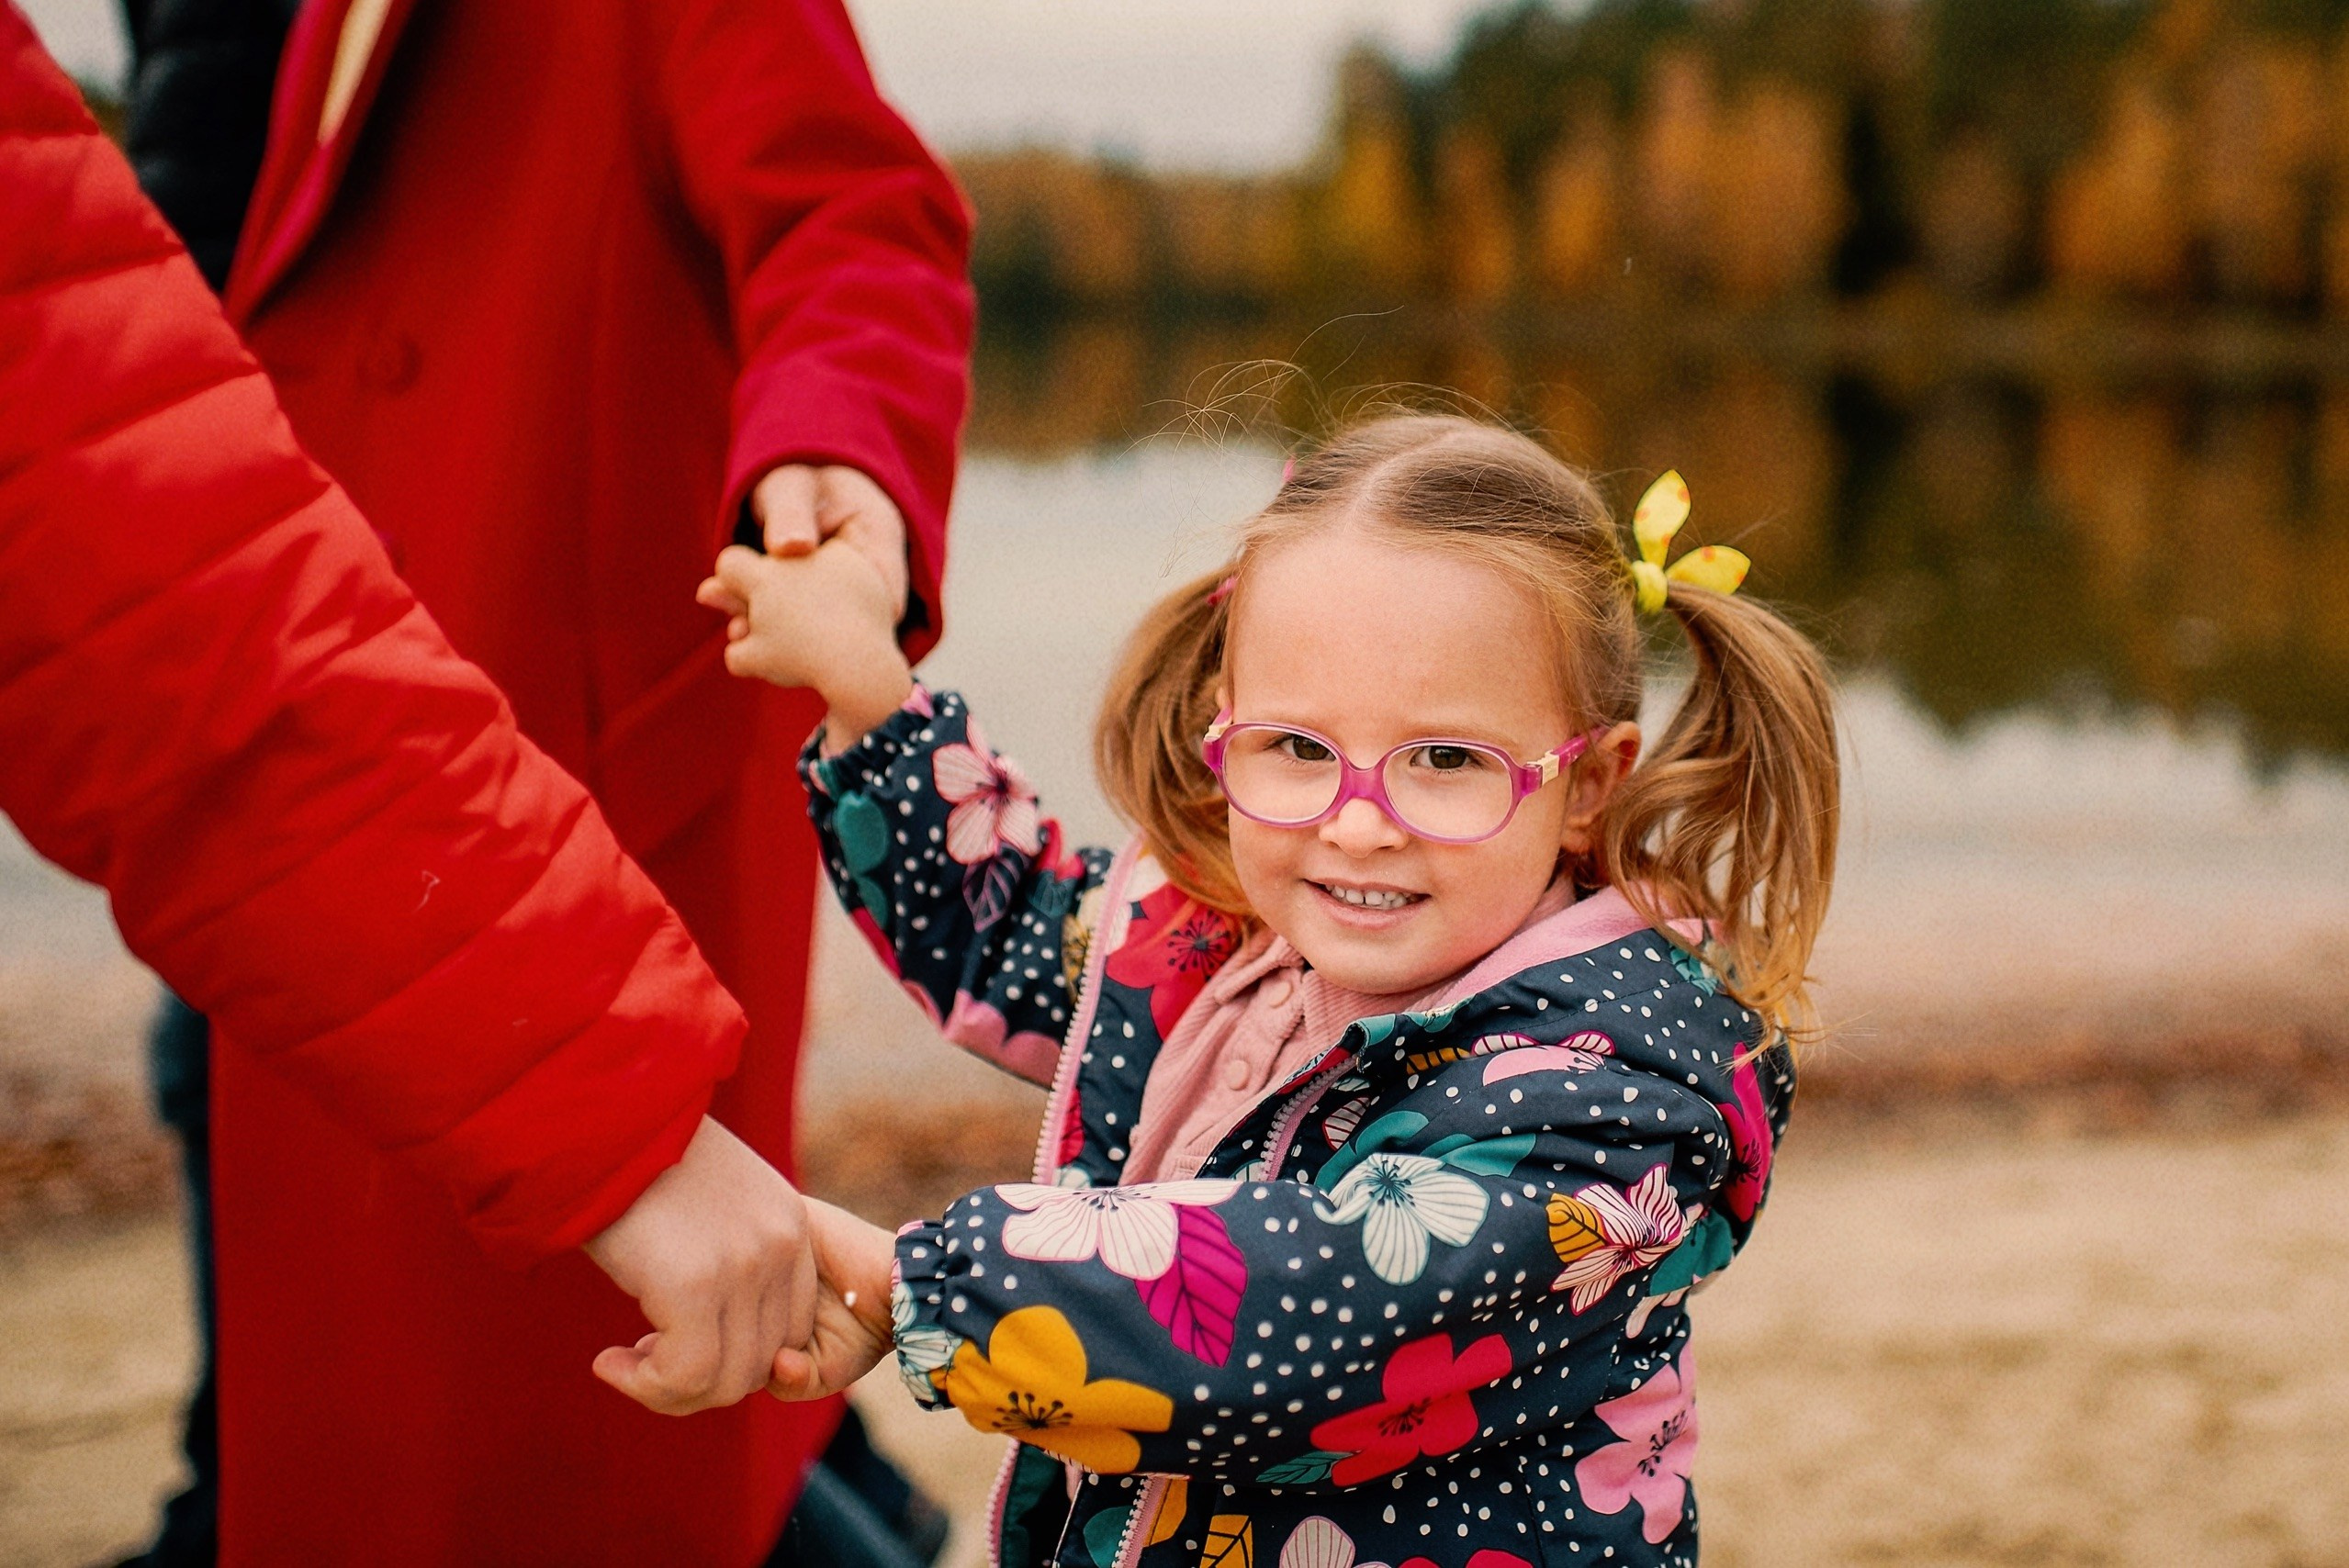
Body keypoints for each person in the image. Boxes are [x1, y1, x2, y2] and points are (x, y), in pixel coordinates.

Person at [93, 0, 975, 1561]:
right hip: (326, 813)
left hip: (553, 852)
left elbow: (857, 219)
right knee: (368, 1431)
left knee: (603, 1436)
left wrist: (838, 448)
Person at [704, 413, 1840, 1566]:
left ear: (1588, 784)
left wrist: (930, 1289)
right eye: (1295, 748)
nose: (1355, 823)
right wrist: (864, 687)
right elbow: (1004, 928)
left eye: (1445, 761)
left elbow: (1314, 1296)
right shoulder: (1224, 947)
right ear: (1221, 732)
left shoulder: (1612, 1098)